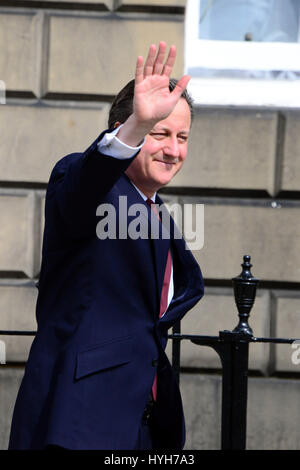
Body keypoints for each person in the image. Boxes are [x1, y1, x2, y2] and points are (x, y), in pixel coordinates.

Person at [8, 42, 204, 450]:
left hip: (143, 427)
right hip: (80, 421)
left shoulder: (162, 216)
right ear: (126, 130)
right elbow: (85, 185)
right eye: (160, 133)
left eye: (182, 137)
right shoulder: (87, 186)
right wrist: (135, 126)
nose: (173, 150)